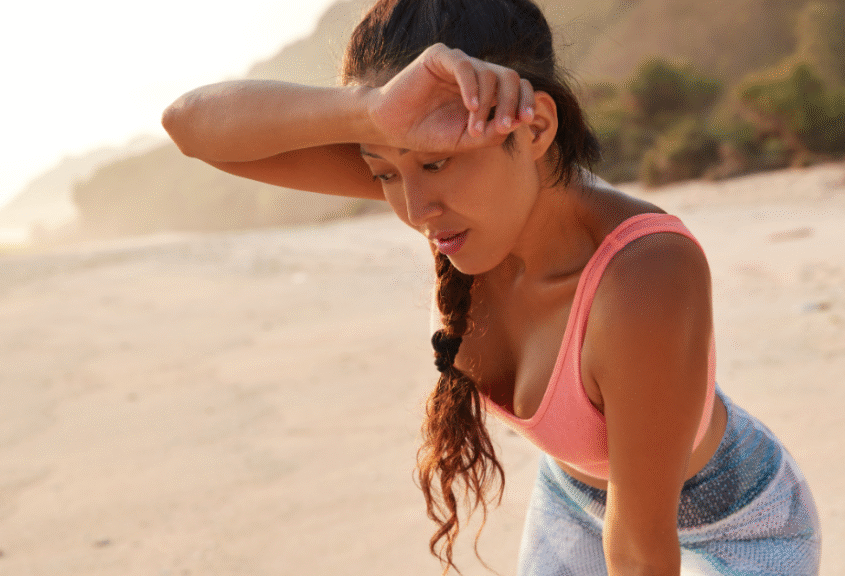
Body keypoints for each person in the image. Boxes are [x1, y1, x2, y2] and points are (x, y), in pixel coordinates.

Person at [162, 0, 822, 573]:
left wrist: (395, 142)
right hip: (577, 496)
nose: (415, 209)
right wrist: (370, 113)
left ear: (533, 128)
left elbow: (642, 557)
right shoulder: (434, 178)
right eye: (384, 173)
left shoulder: (646, 276)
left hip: (736, 529)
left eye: (437, 163)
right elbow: (190, 127)